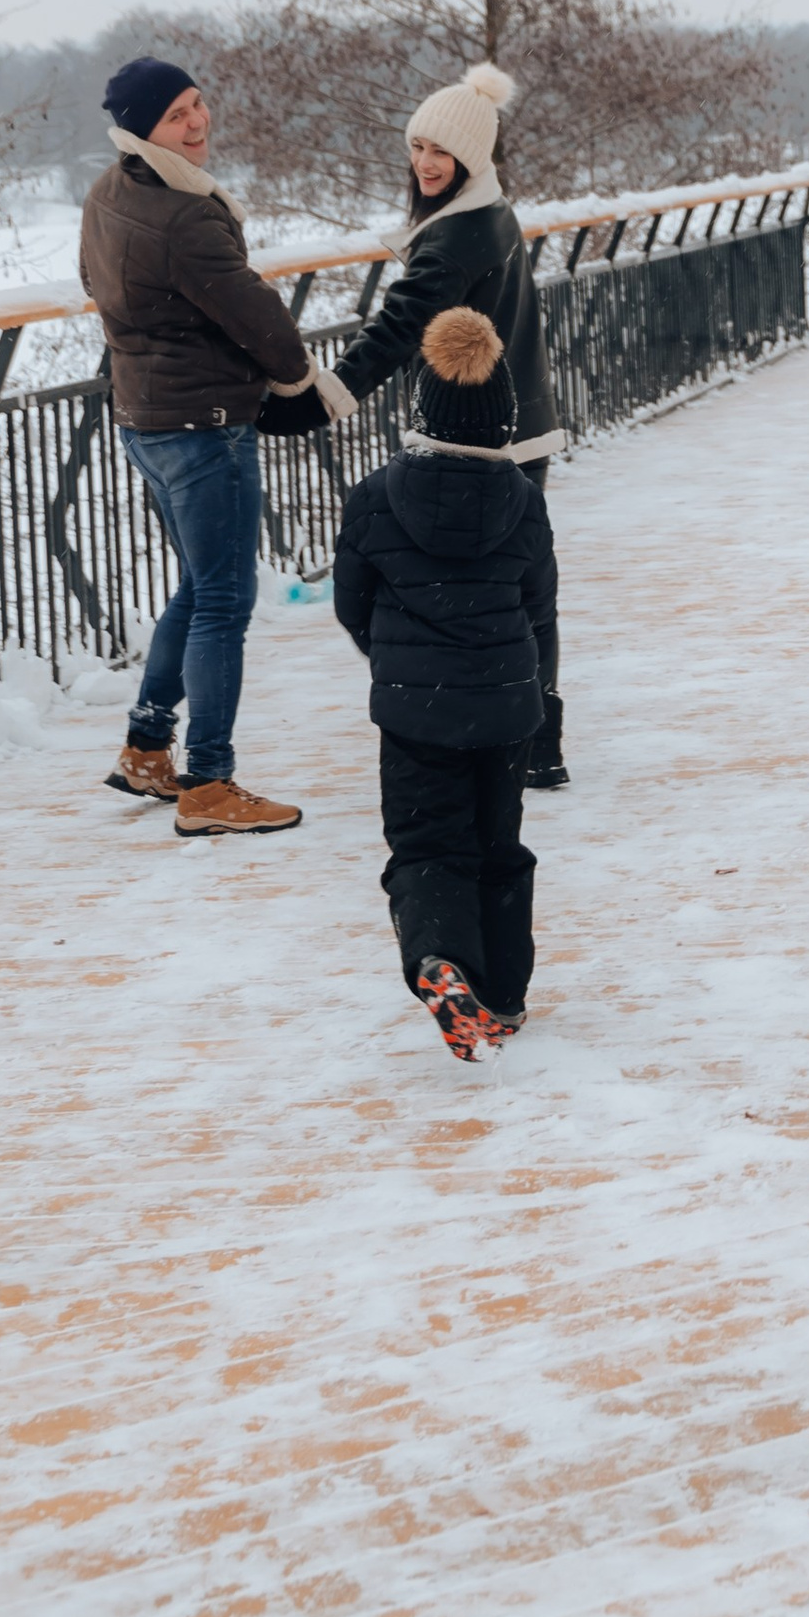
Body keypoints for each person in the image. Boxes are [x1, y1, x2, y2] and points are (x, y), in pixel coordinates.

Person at [79, 52, 357, 835]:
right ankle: (208, 784)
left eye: (197, 104)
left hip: (145, 420)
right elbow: (258, 316)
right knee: (224, 604)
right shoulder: (187, 215)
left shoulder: (108, 194)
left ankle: (145, 749)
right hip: (204, 429)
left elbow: (93, 285)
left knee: (200, 588)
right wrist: (301, 384)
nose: (197, 121)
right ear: (142, 130)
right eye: (177, 115)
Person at [327, 63, 570, 787]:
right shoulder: (492, 214)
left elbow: (399, 325)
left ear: (473, 160)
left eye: (442, 153)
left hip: (478, 433)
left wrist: (330, 392)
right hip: (519, 423)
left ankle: (481, 730)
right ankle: (537, 738)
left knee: (471, 594)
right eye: (418, 148)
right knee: (524, 589)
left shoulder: (459, 234)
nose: (426, 164)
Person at [332, 305, 547, 1061]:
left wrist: (396, 659)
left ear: (423, 410)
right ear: (502, 419)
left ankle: (438, 961)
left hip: (414, 708)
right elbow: (539, 610)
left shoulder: (373, 498)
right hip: (505, 703)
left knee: (427, 846)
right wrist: (537, 693)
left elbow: (351, 605)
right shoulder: (524, 501)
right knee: (499, 845)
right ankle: (505, 996)